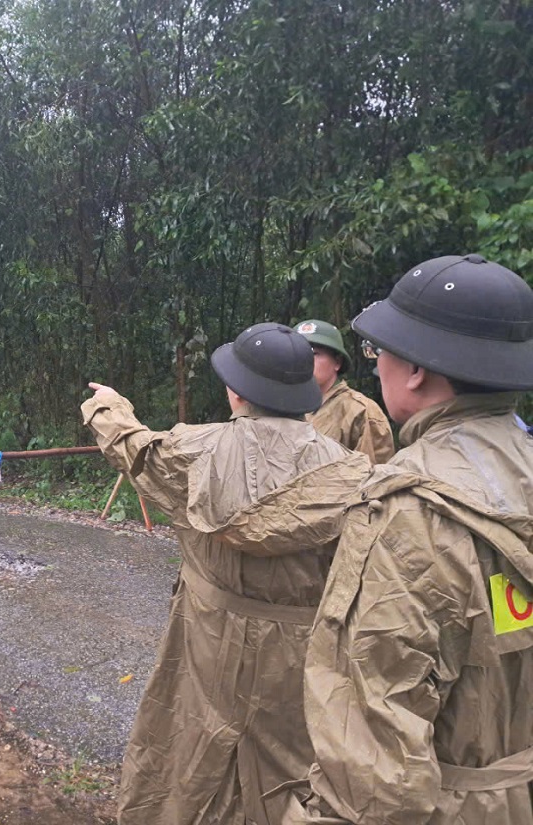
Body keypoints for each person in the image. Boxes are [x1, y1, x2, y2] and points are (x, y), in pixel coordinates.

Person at [82, 322, 370, 825]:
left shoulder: (193, 451)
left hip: (204, 638)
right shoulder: (354, 474)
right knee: (292, 767)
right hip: (301, 653)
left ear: (236, 391)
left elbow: (131, 448)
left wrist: (108, 404)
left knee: (186, 754)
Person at [285, 254, 533, 824]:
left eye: (379, 353)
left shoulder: (408, 513)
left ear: (417, 370)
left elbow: (373, 754)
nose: (375, 367)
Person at [294, 319, 395, 462]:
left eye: (314, 353)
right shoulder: (284, 406)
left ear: (337, 362)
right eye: (297, 353)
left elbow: (372, 478)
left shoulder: (360, 411)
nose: (304, 361)